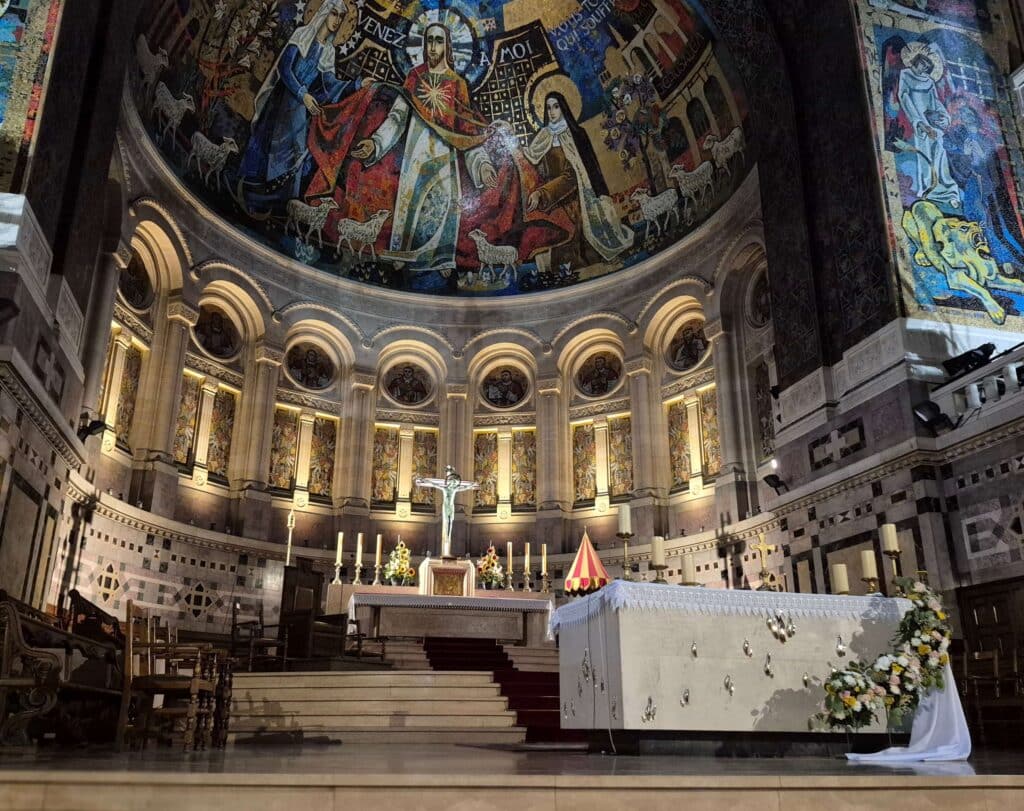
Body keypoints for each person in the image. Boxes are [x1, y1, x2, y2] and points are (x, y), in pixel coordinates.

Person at [350, 24, 498, 273]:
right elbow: (397, 117)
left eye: (438, 41)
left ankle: (440, 260)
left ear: (447, 45)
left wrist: (482, 165)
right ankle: (403, 254)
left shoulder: (457, 84)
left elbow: (466, 132)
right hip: (415, 157)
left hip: (443, 159)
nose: (433, 47)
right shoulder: (414, 78)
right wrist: (375, 143)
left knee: (442, 207)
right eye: (429, 41)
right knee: (410, 204)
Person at [239, 0, 360, 212]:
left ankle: (276, 205)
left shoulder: (329, 51)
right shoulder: (302, 35)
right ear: (323, 13)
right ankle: (249, 194)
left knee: (296, 153)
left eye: (341, 17)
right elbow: (285, 69)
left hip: (300, 112)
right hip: (282, 102)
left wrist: (357, 84)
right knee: (268, 146)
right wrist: (302, 94)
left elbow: (329, 85)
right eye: (334, 13)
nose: (337, 20)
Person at [523, 92, 634, 272]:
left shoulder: (576, 133)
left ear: (564, 107)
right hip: (552, 198)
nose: (552, 111)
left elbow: (581, 171)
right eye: (548, 107)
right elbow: (532, 166)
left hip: (578, 192)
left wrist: (543, 193)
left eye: (556, 106)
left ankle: (557, 262)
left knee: (584, 230)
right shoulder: (543, 137)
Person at [897, 42, 960, 207]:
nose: (923, 68)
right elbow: (904, 98)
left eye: (926, 66)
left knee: (940, 152)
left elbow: (935, 102)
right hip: (919, 122)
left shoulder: (929, 81)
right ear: (916, 61)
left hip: (931, 121)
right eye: (922, 64)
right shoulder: (905, 74)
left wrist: (944, 117)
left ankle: (949, 191)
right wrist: (920, 123)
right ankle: (928, 189)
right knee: (924, 154)